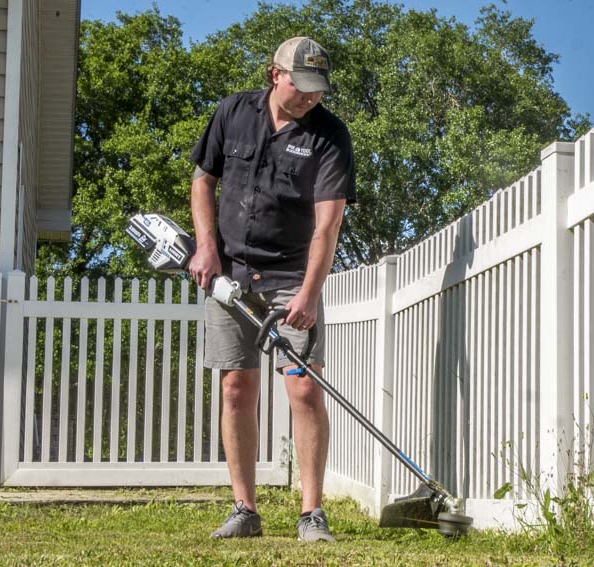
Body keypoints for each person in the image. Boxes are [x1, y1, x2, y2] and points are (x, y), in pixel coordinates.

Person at [188, 36, 355, 542]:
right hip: (231, 272)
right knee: (236, 387)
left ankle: (311, 514)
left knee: (304, 387)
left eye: (317, 90)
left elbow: (327, 226)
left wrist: (307, 293)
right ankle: (245, 509)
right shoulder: (232, 113)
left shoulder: (330, 135)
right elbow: (203, 180)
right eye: (300, 86)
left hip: (291, 274)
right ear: (273, 74)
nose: (309, 97)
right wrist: (205, 245)